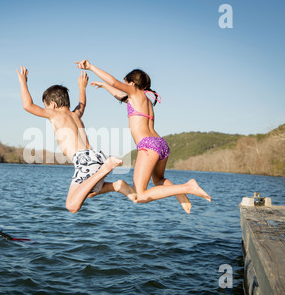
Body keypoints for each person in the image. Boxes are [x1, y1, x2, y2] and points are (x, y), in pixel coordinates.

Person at [75, 60, 211, 213]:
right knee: (158, 180)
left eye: (126, 84)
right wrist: (105, 86)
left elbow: (114, 82)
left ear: (131, 84)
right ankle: (181, 195)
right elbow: (120, 96)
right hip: (161, 144)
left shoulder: (134, 93)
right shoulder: (143, 99)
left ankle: (188, 186)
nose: (125, 88)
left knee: (139, 195)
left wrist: (91, 67)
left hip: (148, 145)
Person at [16, 66, 137, 213]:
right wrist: (82, 87)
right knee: (88, 192)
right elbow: (82, 104)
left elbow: (27, 106)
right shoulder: (75, 115)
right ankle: (116, 186)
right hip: (95, 155)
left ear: (52, 105)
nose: (46, 109)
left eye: (46, 106)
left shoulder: (54, 115)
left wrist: (23, 82)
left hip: (84, 160)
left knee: (72, 206)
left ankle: (106, 168)